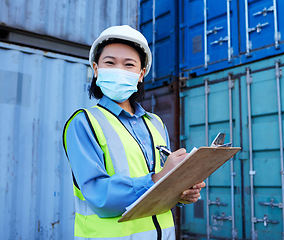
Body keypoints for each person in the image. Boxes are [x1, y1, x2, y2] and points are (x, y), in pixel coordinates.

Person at [62, 25, 206, 240]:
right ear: (96, 69)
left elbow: (160, 185)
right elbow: (99, 196)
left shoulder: (156, 123)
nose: (119, 69)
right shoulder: (83, 122)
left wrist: (181, 192)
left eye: (129, 65)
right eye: (110, 62)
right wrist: (159, 178)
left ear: (141, 75)